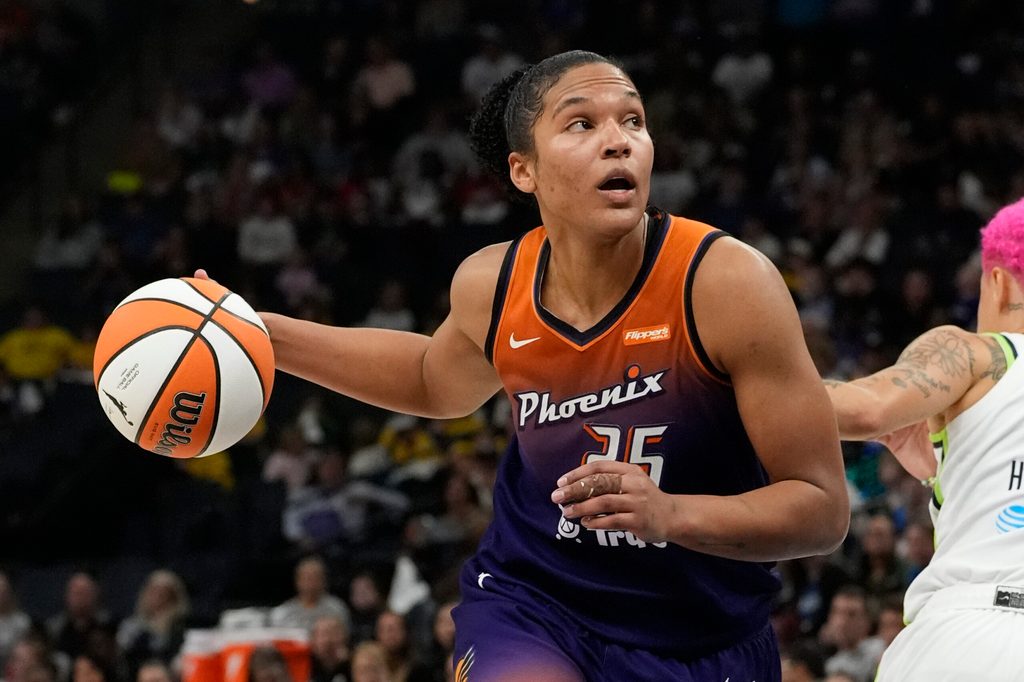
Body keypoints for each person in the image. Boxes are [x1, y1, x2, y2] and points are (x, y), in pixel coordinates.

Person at [199, 49, 848, 681]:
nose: (619, 141)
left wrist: (671, 515)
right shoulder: (492, 284)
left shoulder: (726, 284)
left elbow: (821, 511)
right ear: (523, 171)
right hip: (535, 600)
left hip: (702, 637)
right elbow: (432, 377)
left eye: (633, 120)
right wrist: (268, 337)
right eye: (581, 123)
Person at [825, 196, 1024, 681]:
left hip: (972, 634)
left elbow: (864, 408)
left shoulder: (978, 351)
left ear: (996, 283)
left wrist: (712, 384)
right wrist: (952, 472)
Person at [269, 556, 351, 632]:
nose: (311, 583)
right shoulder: (282, 613)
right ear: (297, 581)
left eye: (316, 578)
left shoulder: (337, 609)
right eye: (307, 578)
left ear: (324, 581)